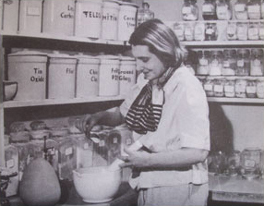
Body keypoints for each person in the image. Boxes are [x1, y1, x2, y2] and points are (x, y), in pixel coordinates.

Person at [76, 19, 210, 206]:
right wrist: (101, 116)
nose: (138, 66)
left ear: (165, 54)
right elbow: (124, 113)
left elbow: (197, 152)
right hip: (149, 183)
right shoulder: (148, 81)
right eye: (136, 59)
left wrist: (147, 161)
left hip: (179, 188)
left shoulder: (187, 87)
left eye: (144, 59)